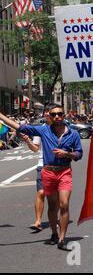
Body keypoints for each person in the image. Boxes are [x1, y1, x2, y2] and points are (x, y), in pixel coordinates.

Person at [0, 105, 83, 251]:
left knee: (64, 204)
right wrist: (1, 116)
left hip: (64, 172)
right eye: (54, 114)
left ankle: (62, 239)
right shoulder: (44, 130)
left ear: (64, 116)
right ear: (50, 116)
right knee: (52, 206)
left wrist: (67, 154)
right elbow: (19, 127)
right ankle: (54, 233)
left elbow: (79, 154)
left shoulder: (73, 134)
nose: (57, 116)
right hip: (48, 172)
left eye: (60, 114)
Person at [22, 106, 52, 232]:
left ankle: (54, 219)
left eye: (49, 112)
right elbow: (35, 148)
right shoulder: (40, 129)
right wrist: (28, 141)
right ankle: (38, 221)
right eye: (46, 112)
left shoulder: (62, 128)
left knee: (53, 197)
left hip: (58, 166)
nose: (47, 114)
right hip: (42, 166)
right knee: (41, 192)